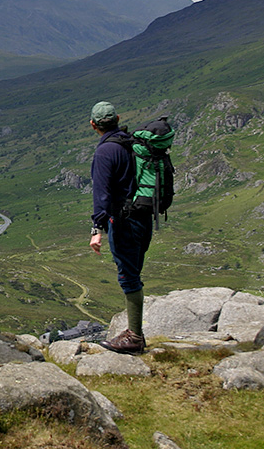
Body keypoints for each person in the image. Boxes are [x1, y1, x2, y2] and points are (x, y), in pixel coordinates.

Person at [88, 101, 151, 354]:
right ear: (118, 119)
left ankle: (135, 337)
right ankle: (135, 332)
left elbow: (101, 195)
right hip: (144, 218)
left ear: (93, 125)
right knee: (134, 271)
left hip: (123, 222)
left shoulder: (105, 152)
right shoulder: (133, 142)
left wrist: (96, 230)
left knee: (128, 276)